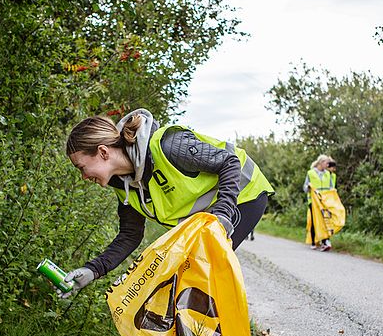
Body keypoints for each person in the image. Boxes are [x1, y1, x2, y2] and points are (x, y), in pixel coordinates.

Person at [59, 108, 274, 298]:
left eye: (81, 167)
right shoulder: (125, 186)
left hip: (243, 195)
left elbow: (229, 162)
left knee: (195, 275)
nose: (84, 177)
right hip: (212, 213)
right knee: (179, 279)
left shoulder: (167, 146)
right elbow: (130, 235)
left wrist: (224, 212)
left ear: (103, 152)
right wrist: (93, 270)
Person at [303, 154, 335, 251]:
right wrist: (308, 187)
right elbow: (304, 188)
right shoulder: (310, 173)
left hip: (324, 201)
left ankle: (325, 241)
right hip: (313, 201)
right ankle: (313, 241)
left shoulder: (328, 174)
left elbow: (331, 187)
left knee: (325, 220)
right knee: (314, 221)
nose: (328, 165)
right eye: (327, 163)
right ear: (321, 163)